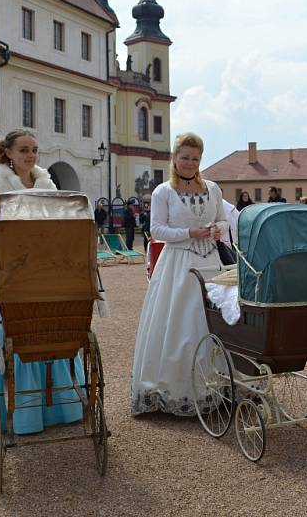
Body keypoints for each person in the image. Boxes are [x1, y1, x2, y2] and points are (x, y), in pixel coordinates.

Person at [0, 130, 83, 434]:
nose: (30, 156)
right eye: (23, 150)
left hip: (46, 269)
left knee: (53, 327)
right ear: (8, 152)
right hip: (10, 270)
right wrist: (4, 262)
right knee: (13, 332)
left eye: (34, 150)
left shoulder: (47, 183)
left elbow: (62, 224)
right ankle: (15, 411)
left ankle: (56, 405)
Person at [131, 132, 228, 415]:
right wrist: (189, 233)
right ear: (175, 157)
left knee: (216, 322)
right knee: (180, 324)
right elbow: (156, 230)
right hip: (177, 266)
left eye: (195, 158)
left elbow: (223, 218)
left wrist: (217, 229)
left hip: (211, 262)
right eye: (184, 157)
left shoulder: (213, 188)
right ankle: (178, 391)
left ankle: (217, 386)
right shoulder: (163, 191)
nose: (189, 163)